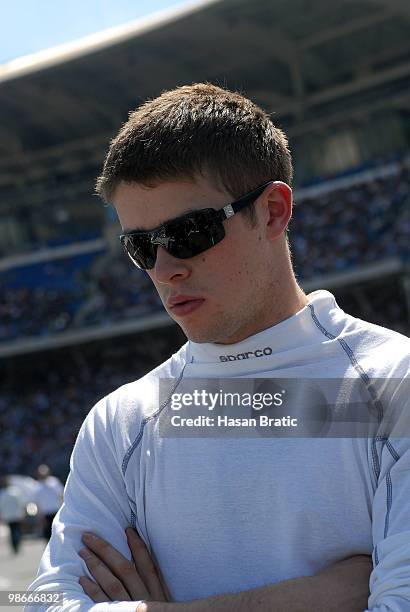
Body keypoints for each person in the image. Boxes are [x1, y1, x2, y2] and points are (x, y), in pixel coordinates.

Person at [26, 83, 410, 611]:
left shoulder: (396, 385)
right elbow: (46, 603)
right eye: (140, 246)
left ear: (274, 212)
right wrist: (311, 598)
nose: (164, 269)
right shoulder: (120, 421)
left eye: (189, 232)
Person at [34, 464, 64, 540]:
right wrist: (40, 516)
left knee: (59, 532)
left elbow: (61, 495)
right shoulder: (37, 486)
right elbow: (37, 503)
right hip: (45, 513)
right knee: (48, 535)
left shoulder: (54, 482)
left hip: (56, 511)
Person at [0, 476, 26, 554]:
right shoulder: (15, 491)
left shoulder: (2, 493)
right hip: (17, 514)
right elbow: (21, 503)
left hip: (8, 515)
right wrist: (23, 512)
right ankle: (17, 544)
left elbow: (1, 506)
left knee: (12, 531)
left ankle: (15, 546)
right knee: (17, 530)